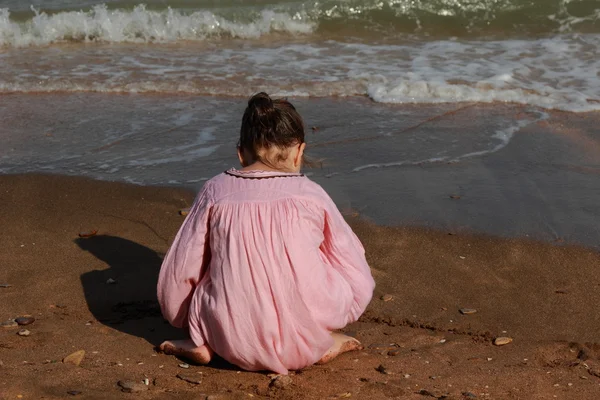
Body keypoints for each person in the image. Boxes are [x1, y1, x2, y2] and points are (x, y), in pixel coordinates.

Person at [157, 92, 375, 375]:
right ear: (299, 153)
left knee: (211, 276)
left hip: (228, 338)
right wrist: (348, 308)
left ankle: (200, 340)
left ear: (240, 152)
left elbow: (180, 270)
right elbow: (351, 263)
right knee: (331, 263)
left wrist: (181, 316)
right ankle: (324, 339)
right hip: (303, 340)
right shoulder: (312, 195)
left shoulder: (215, 190)